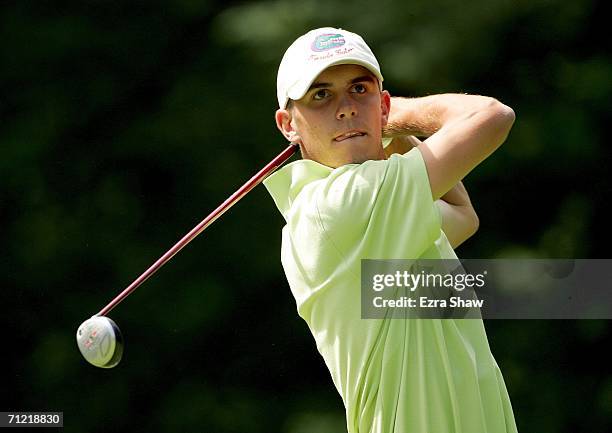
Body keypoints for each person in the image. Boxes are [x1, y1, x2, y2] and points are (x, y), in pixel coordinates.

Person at [263, 27, 518, 433]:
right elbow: (491, 116)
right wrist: (392, 115)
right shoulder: (337, 208)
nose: (345, 108)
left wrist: (384, 128)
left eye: (358, 90)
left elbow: (461, 214)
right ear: (287, 124)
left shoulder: (389, 212)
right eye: (321, 95)